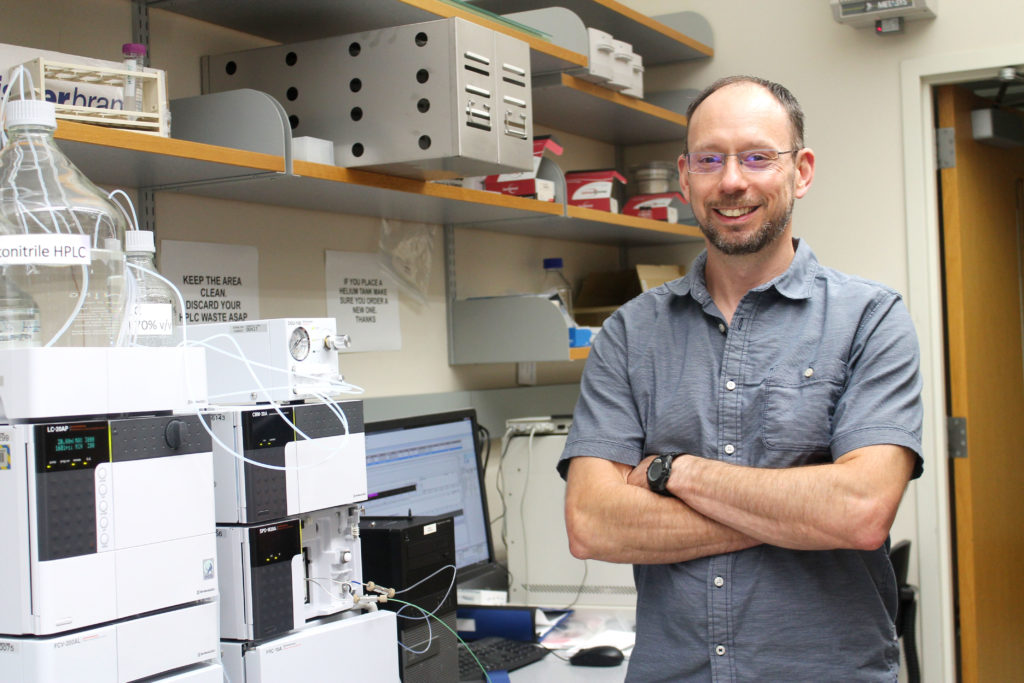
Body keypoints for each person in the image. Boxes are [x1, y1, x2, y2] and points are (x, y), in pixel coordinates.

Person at [558, 75, 923, 681]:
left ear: (801, 171)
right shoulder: (629, 333)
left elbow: (859, 512)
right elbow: (592, 523)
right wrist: (797, 513)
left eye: (758, 157)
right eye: (710, 160)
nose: (732, 181)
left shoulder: (870, 320)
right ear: (684, 178)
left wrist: (675, 472)